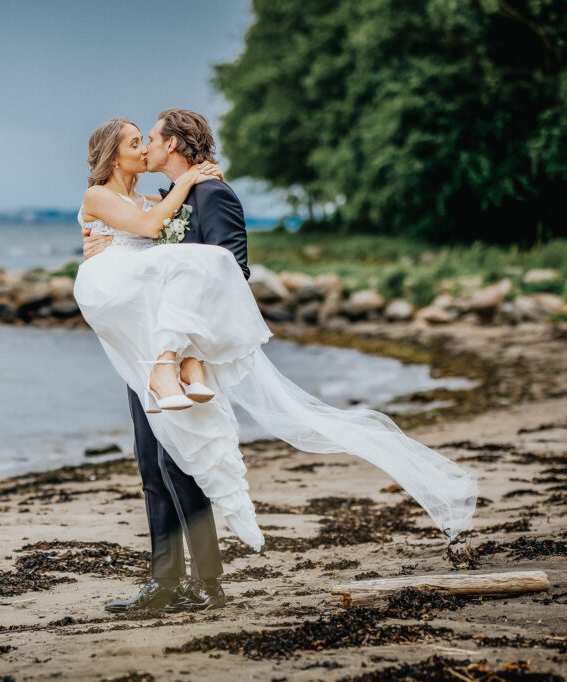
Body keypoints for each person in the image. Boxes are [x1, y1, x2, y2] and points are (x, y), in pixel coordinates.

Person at [74, 110, 478, 614]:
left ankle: (206, 582)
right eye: (138, 141)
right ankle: (164, 582)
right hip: (143, 346)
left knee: (181, 461)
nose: (146, 146)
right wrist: (96, 252)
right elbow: (137, 250)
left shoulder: (208, 193)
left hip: (180, 352)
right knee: (152, 463)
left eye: (150, 138)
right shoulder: (152, 200)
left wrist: (192, 343)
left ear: (172, 143)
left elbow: (227, 265)